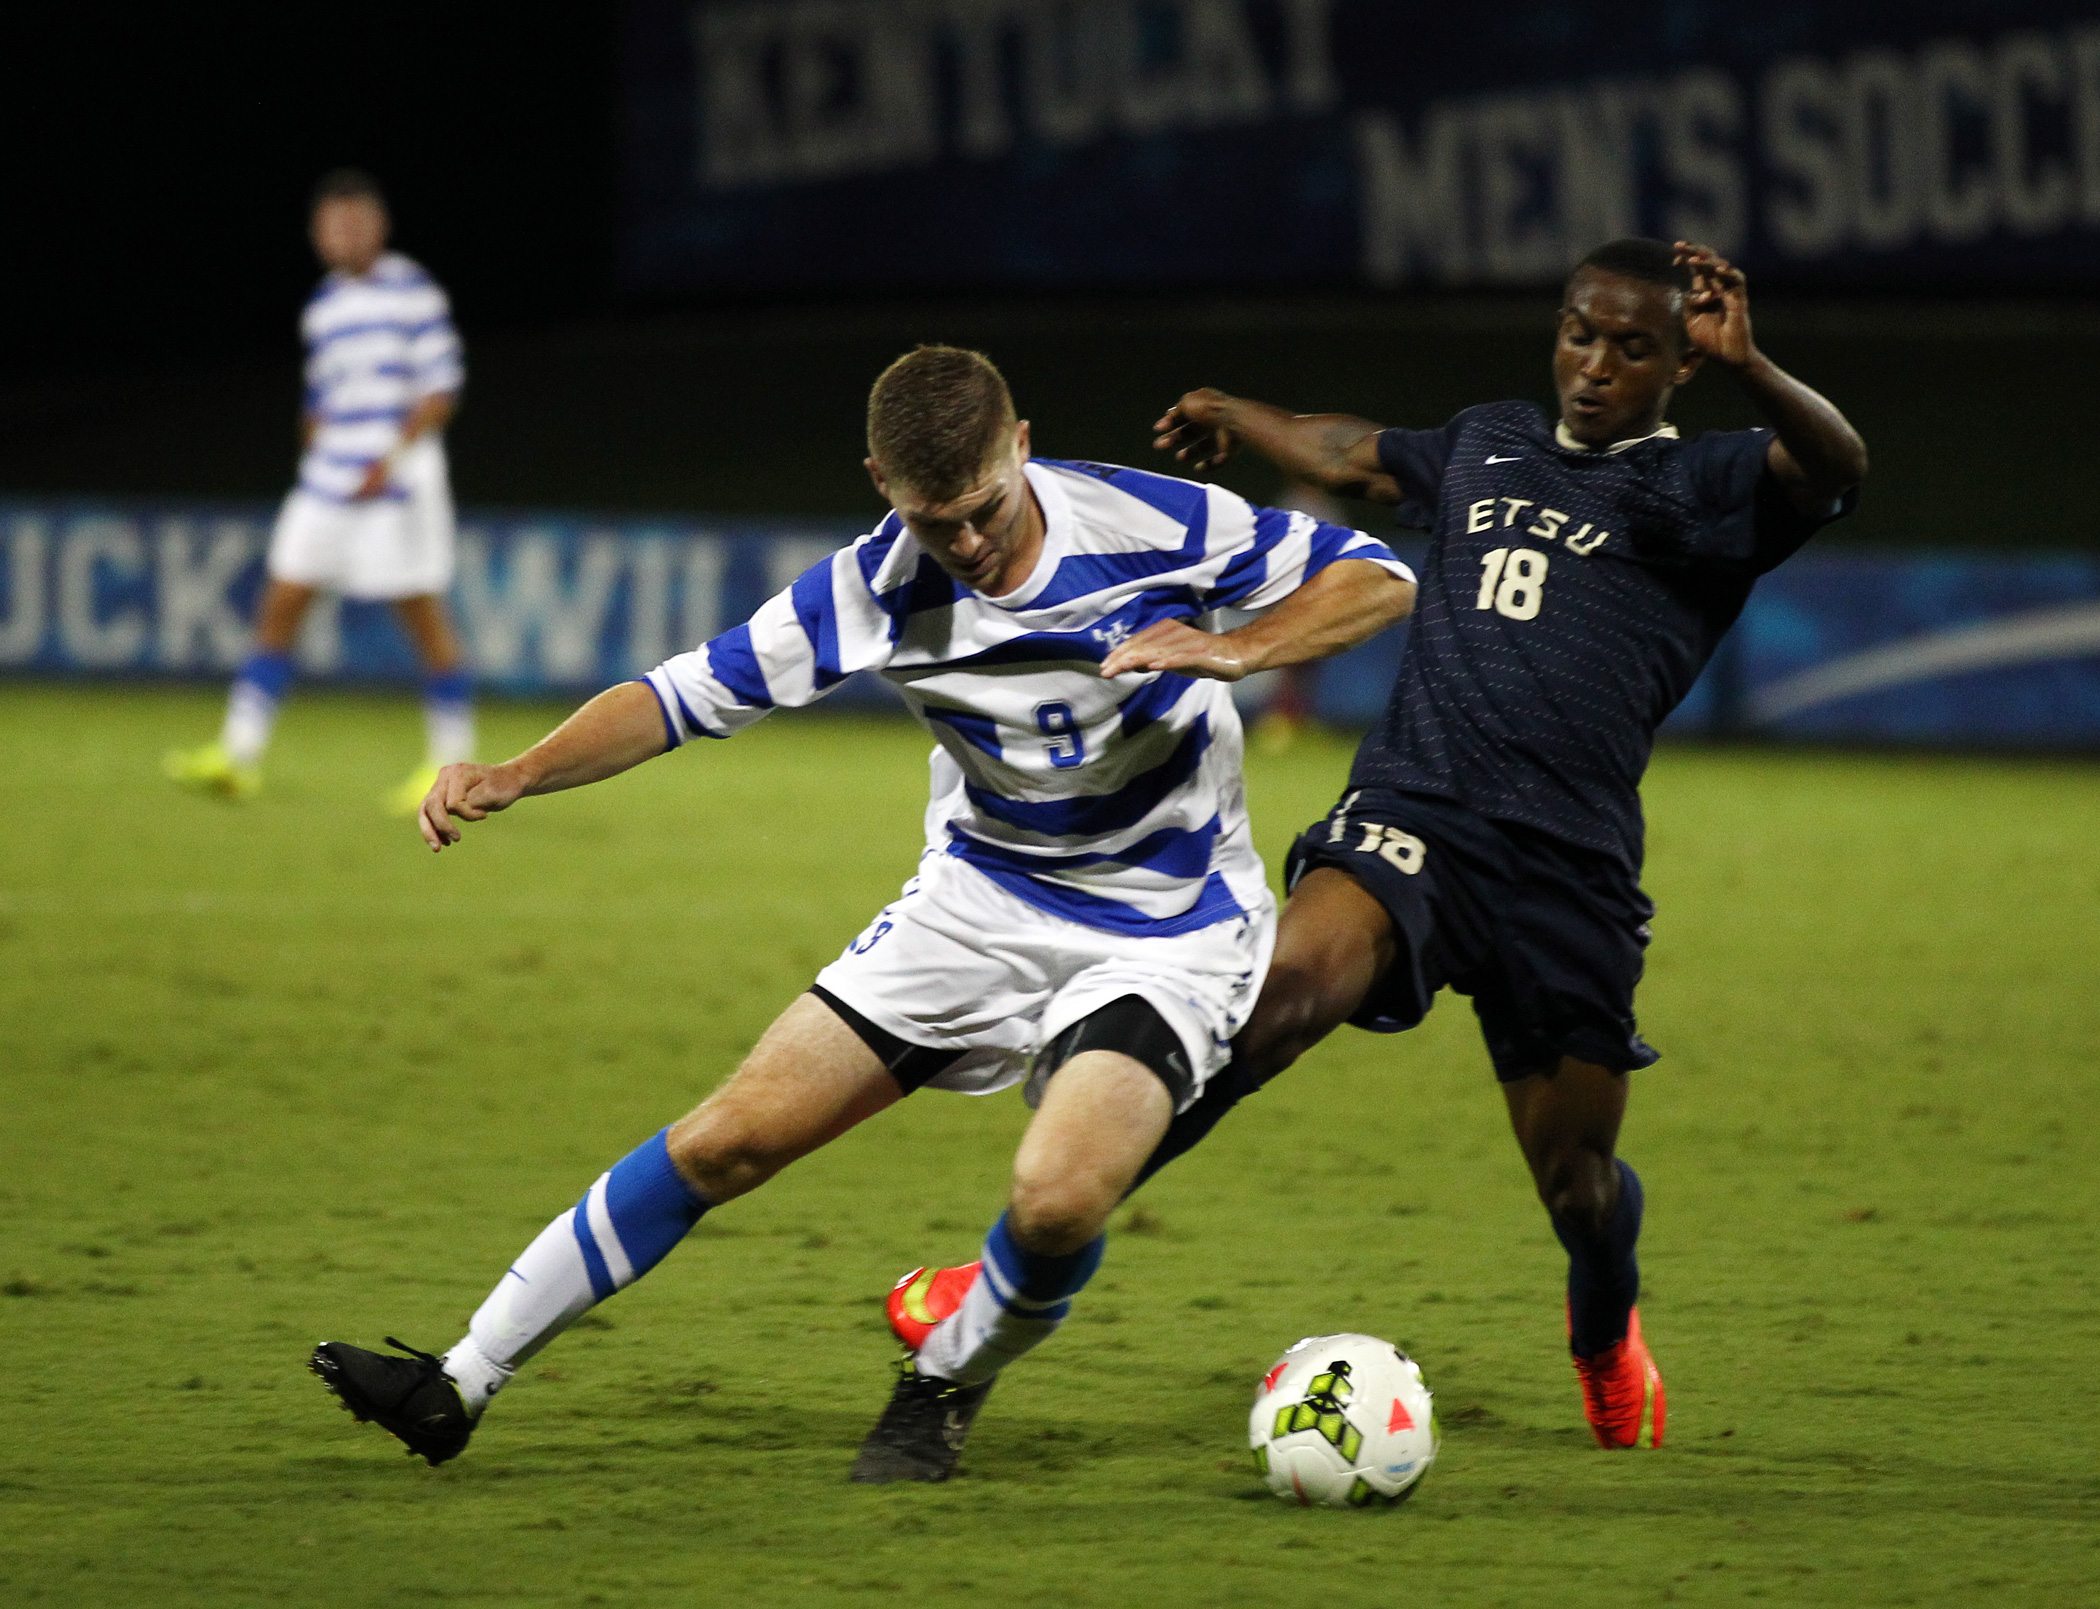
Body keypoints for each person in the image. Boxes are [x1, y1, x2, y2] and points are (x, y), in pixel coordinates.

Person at [308, 346, 1416, 1483]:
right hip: (977, 905)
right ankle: (458, 1379)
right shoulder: (874, 585)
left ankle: (941, 1380)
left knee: (1056, 1198)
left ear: (1021, 445)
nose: (971, 545)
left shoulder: (1153, 523)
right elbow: (680, 696)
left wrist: (1237, 646)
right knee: (726, 1137)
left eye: (985, 508)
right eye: (939, 523)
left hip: (1169, 926)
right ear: (883, 483)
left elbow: (1379, 574)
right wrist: (518, 772)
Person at [897, 239, 1868, 1452]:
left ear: (1680, 363)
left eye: (1633, 348)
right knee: (1268, 1004)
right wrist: (1228, 412)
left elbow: (1836, 464)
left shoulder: (1711, 486)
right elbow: (1349, 450)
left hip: (1567, 866)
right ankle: (1000, 1270)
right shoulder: (1486, 440)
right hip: (1414, 812)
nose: (1594, 366)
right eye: (1579, 332)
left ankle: (1604, 1323)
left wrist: (1757, 365)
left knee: (1578, 1182)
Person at [165, 168, 471, 812]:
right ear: (317, 235)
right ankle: (236, 755)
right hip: (328, 484)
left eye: (358, 221)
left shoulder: (411, 291)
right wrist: (319, 445)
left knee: (424, 622)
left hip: (397, 486)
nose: (347, 234)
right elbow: (321, 398)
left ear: (379, 227)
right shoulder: (325, 305)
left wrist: (390, 458)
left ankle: (451, 767)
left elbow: (439, 389)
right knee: (280, 606)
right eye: (335, 225)